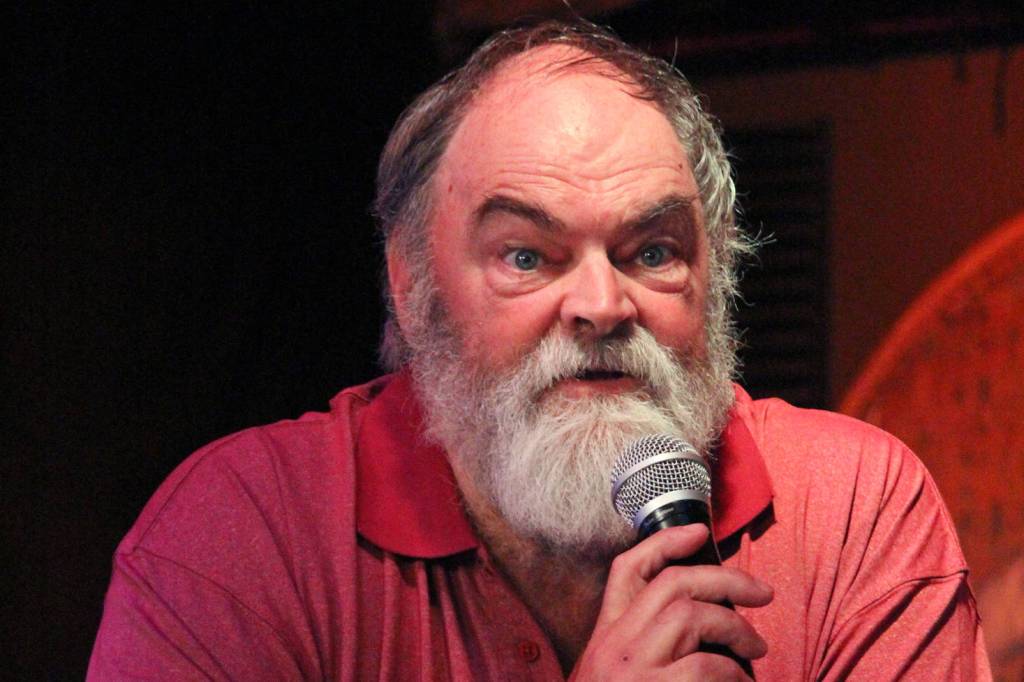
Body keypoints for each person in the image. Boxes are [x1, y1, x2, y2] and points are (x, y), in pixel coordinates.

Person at [88, 19, 990, 680]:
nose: (601, 306)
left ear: (714, 277)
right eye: (527, 256)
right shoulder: (241, 535)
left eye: (653, 252)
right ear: (413, 284)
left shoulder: (851, 506)